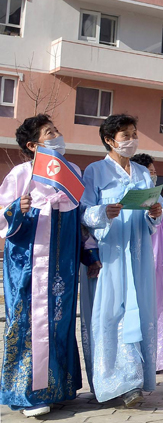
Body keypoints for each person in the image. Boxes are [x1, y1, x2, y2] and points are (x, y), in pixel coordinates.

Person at [0, 115, 100, 417]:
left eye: (56, 130)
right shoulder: (22, 173)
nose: (57, 135)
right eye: (49, 133)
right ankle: (29, 393)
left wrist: (90, 254)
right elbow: (3, 216)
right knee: (30, 322)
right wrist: (19, 208)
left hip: (64, 267)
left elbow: (81, 217)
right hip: (28, 266)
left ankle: (58, 389)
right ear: (33, 145)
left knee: (60, 322)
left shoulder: (72, 171)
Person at [80, 114, 163, 407]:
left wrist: (155, 212)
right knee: (108, 315)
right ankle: (109, 381)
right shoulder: (94, 171)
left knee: (139, 311)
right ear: (109, 140)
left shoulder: (142, 171)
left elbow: (157, 206)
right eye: (124, 135)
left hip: (139, 253)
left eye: (133, 133)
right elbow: (84, 211)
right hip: (110, 253)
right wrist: (103, 212)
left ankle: (135, 380)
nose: (131, 140)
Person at [131, 152, 163, 372]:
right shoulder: (133, 196)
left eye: (155, 172)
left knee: (159, 306)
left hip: (160, 262)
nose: (153, 176)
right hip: (141, 258)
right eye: (150, 172)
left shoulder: (159, 200)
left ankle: (157, 357)